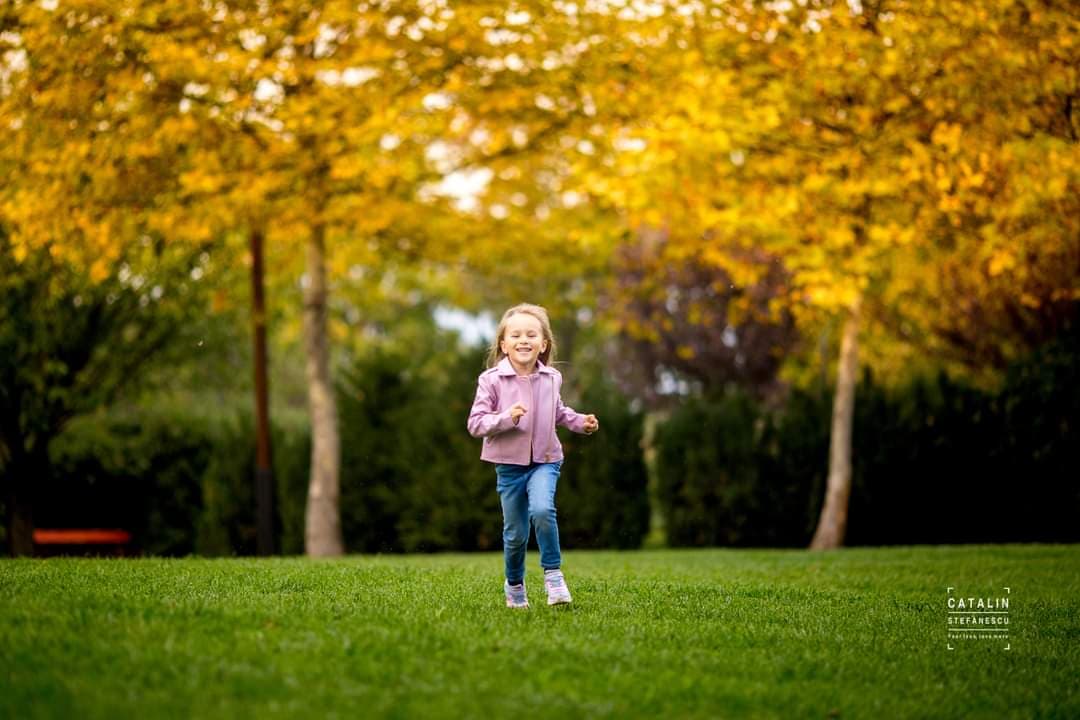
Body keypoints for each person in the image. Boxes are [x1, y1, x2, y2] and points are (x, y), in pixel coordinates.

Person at [467, 303, 599, 608]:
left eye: (531, 334)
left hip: (546, 460)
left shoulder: (552, 377)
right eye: (515, 335)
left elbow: (559, 412)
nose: (523, 340)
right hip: (510, 468)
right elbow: (476, 424)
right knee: (515, 534)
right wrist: (506, 418)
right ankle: (514, 585)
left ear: (543, 344)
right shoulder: (491, 380)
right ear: (503, 344)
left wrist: (581, 423)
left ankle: (553, 576)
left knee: (542, 510)